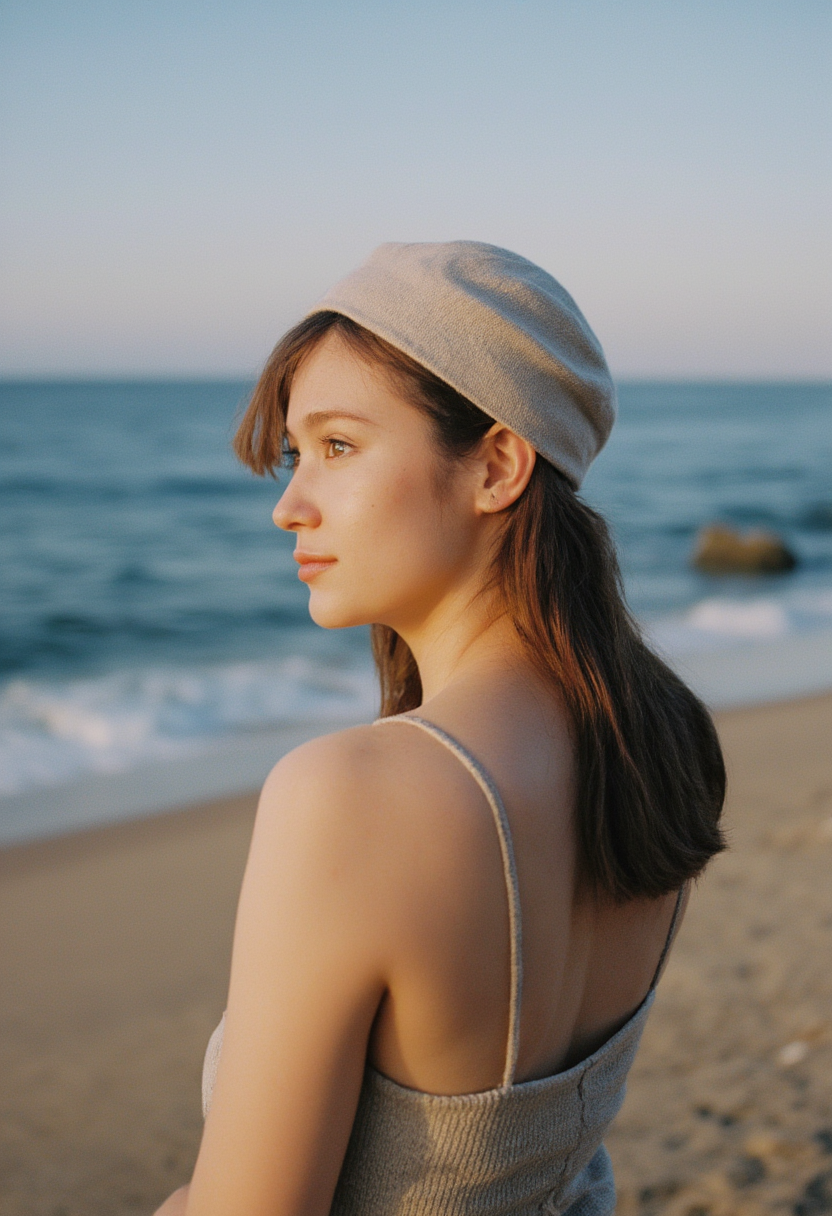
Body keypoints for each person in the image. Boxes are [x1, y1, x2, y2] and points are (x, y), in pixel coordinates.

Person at [154, 241, 725, 1216]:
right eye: (297, 455)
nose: (290, 505)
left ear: (497, 463)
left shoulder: (354, 794)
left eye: (337, 446)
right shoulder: (659, 737)